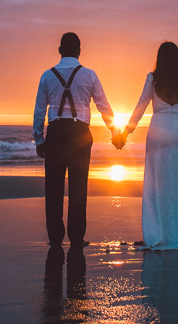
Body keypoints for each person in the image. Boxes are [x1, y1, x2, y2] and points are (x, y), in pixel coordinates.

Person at [113, 41, 178, 250]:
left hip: (158, 132)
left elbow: (140, 107)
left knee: (157, 185)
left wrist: (125, 133)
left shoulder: (153, 79)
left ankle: (158, 233)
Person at [33, 32, 118, 246]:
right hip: (80, 134)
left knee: (53, 187)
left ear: (60, 51)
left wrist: (39, 139)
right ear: (79, 52)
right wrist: (115, 132)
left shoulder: (47, 75)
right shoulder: (89, 75)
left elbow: (39, 111)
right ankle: (77, 237)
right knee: (79, 187)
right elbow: (103, 106)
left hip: (55, 133)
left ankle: (55, 237)